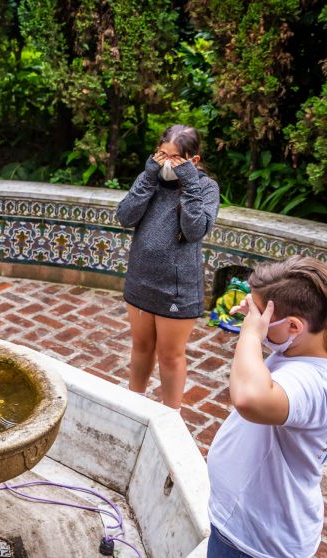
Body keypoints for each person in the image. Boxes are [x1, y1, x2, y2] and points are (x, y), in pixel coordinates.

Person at [207, 256, 327, 558]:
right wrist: (260, 311)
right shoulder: (324, 340)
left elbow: (250, 398)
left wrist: (249, 334)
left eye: (263, 316)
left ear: (293, 325)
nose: (258, 323)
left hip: (255, 541)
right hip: (246, 524)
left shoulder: (318, 384)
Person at [115, 125, 220, 408]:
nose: (165, 162)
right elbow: (125, 216)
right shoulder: (149, 177)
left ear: (193, 161)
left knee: (170, 355)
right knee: (141, 347)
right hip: (141, 278)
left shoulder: (206, 188)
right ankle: (133, 406)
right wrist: (149, 177)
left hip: (176, 288)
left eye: (174, 158)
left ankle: (170, 417)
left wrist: (189, 184)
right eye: (161, 154)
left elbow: (195, 229)